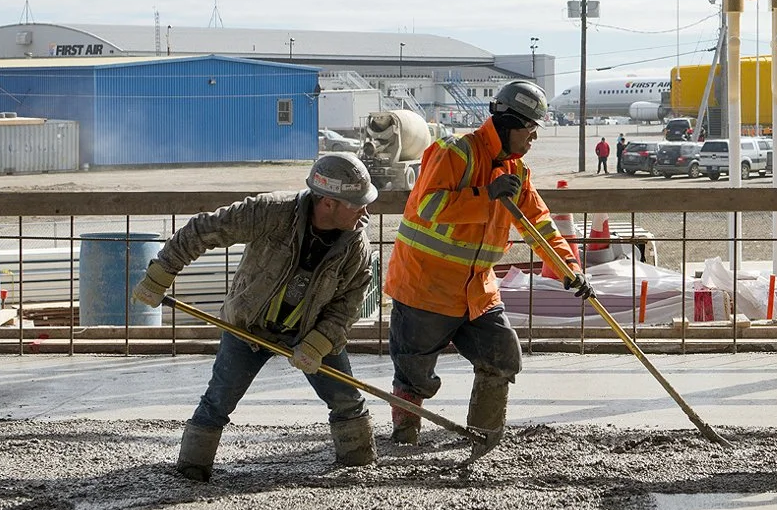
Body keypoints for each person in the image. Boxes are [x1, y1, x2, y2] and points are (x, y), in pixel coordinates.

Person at [133, 153, 381, 481]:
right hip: (247, 325)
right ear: (327, 202)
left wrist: (319, 343)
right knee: (218, 400)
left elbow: (347, 306)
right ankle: (192, 469)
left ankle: (358, 464)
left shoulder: (355, 248)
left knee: (347, 400)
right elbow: (204, 229)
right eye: (356, 203)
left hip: (308, 330)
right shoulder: (270, 212)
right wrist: (161, 273)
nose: (365, 211)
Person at [384, 79, 593, 444]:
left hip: (477, 293)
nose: (534, 138)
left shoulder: (516, 173)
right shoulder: (455, 151)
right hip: (424, 289)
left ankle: (484, 436)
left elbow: (539, 225)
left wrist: (569, 270)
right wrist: (486, 195)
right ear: (509, 124)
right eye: (530, 128)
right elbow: (428, 206)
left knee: (502, 357)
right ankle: (404, 438)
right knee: (414, 373)